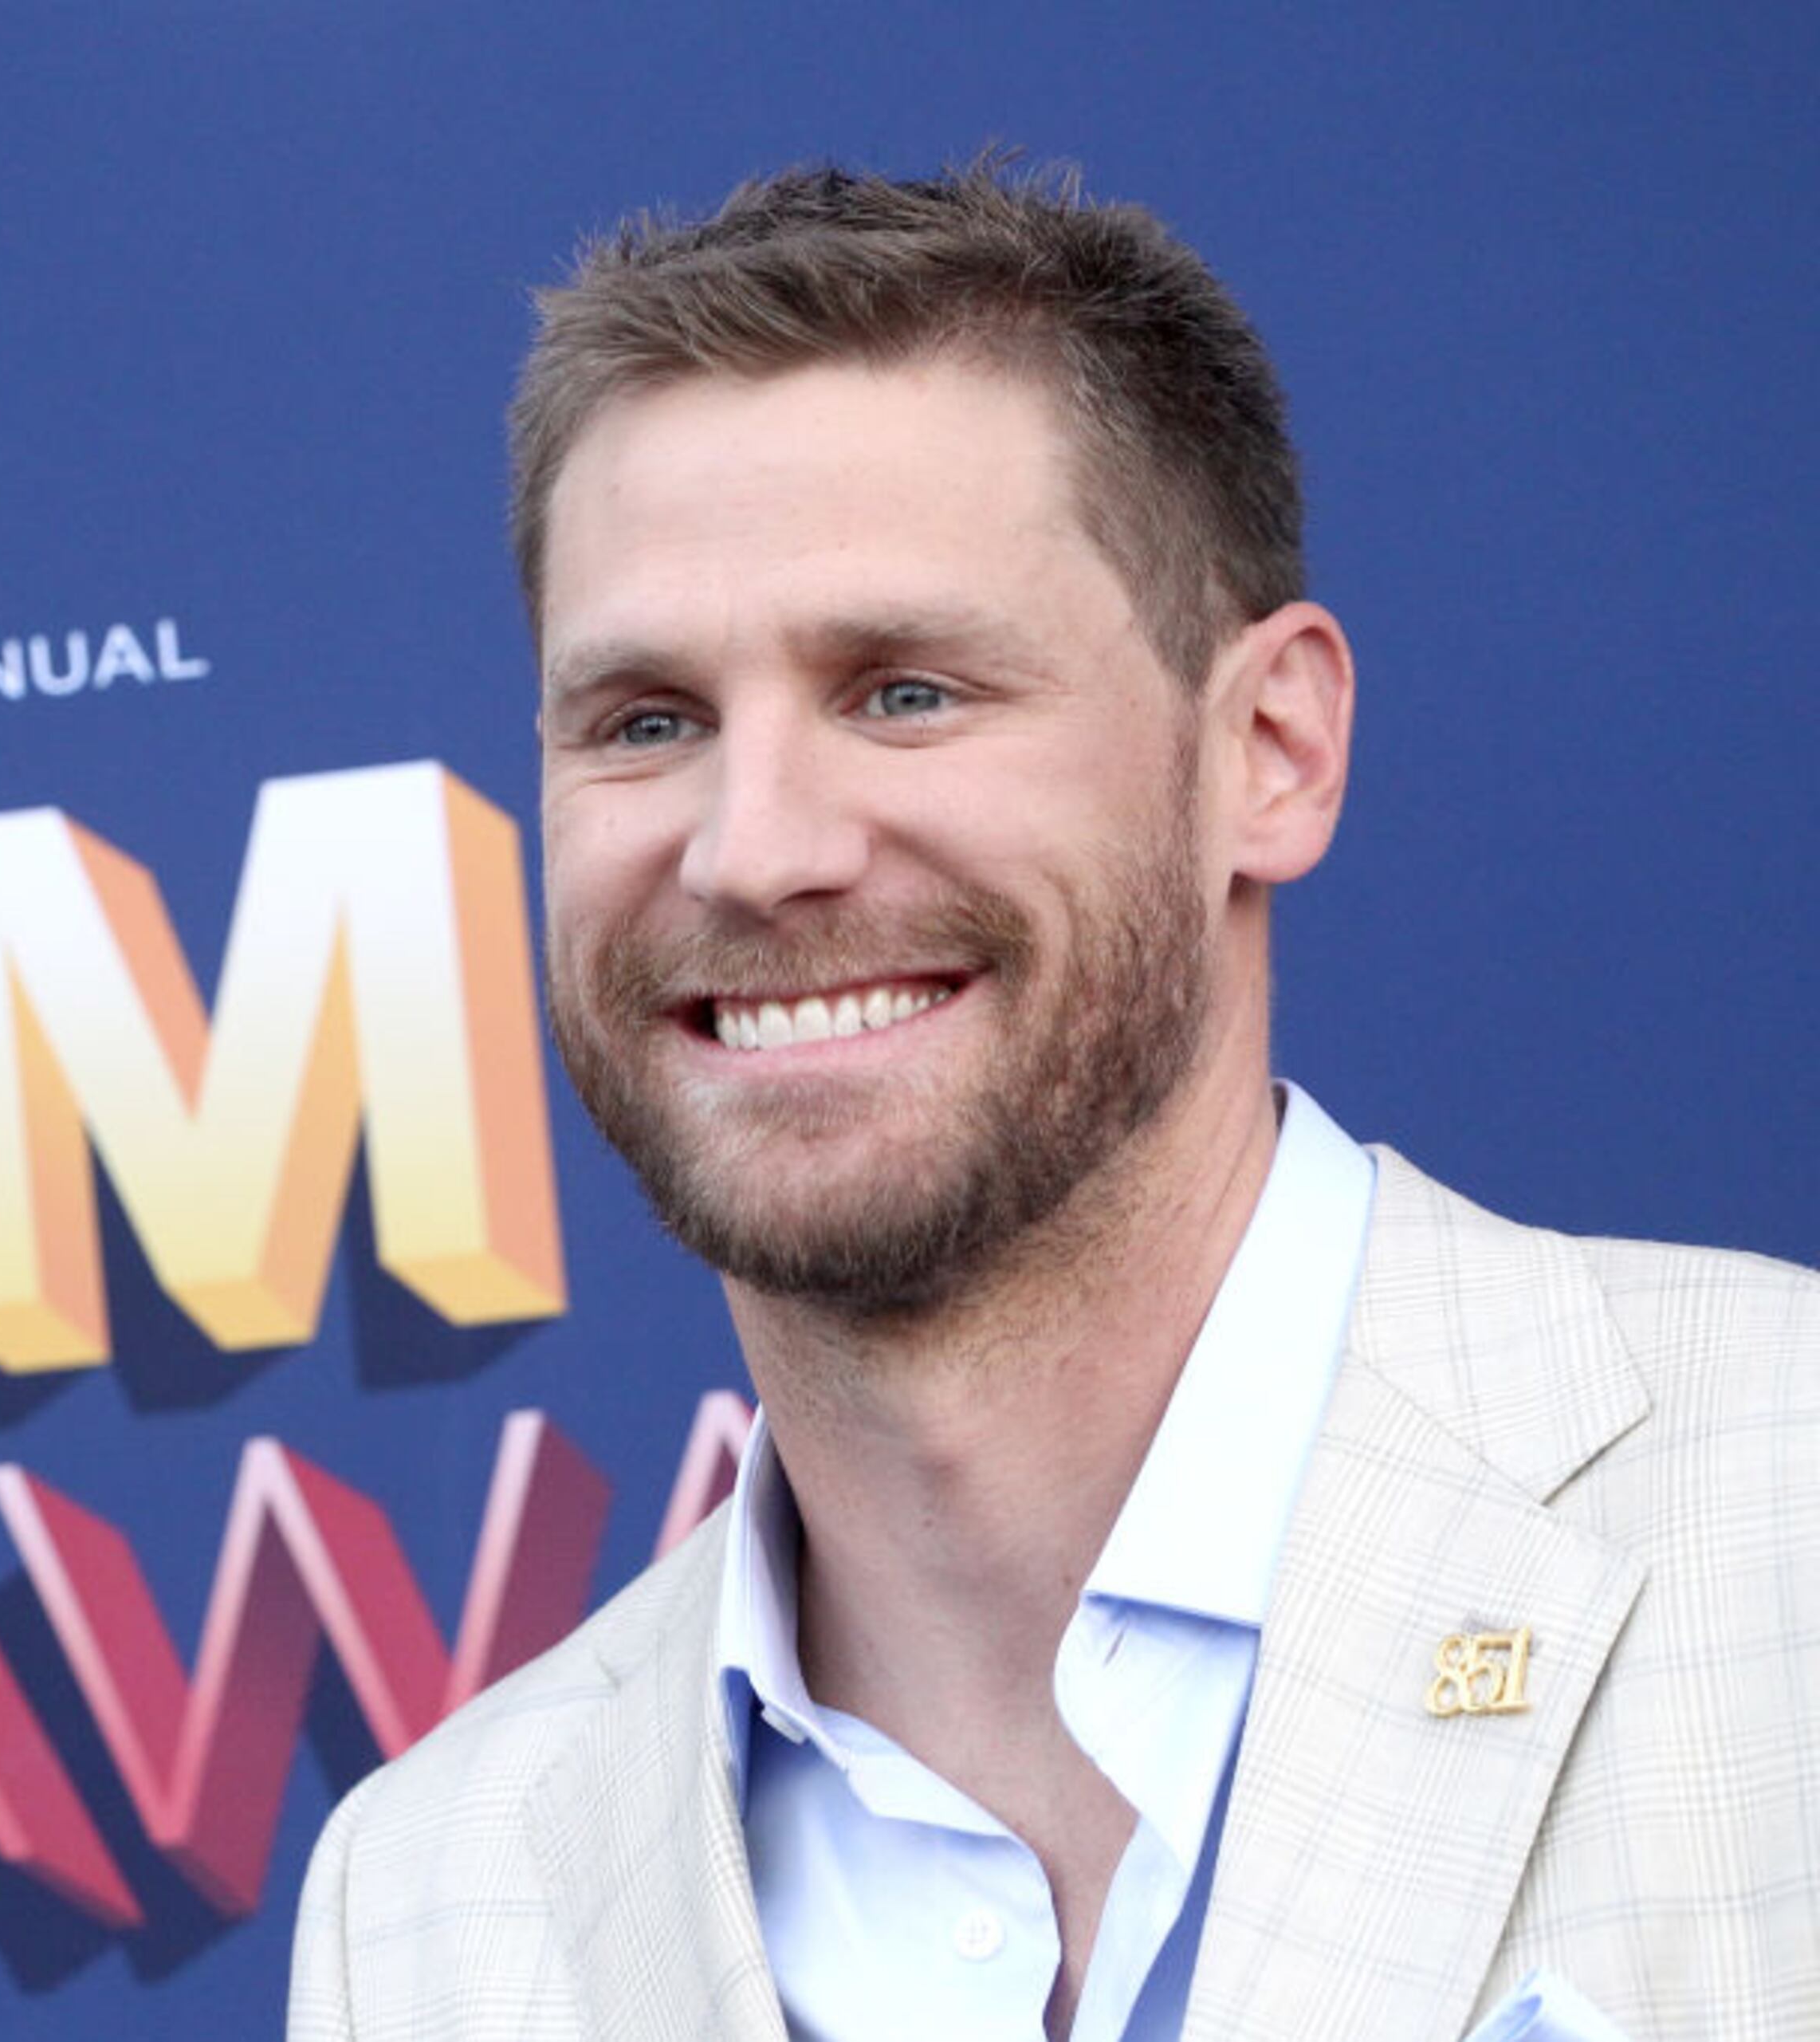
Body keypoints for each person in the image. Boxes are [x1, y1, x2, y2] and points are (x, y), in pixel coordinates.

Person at [287, 162, 1818, 2042]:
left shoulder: (1782, 1512)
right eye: (648, 723)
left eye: (906, 692)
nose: (754, 848)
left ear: (1269, 750)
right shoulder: (428, 1911)